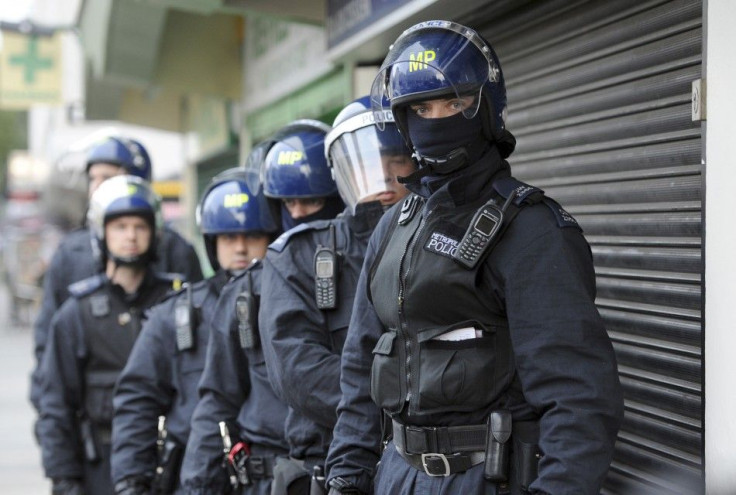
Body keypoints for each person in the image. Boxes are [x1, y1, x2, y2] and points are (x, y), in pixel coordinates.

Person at [325, 20, 624, 495]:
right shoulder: (396, 223)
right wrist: (347, 472)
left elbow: (580, 398)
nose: (436, 118)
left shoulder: (530, 229)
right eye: (420, 107)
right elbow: (362, 364)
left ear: (485, 107)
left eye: (455, 103)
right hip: (397, 476)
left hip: (489, 477)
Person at [258, 101, 415, 494]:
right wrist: (406, 404)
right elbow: (297, 368)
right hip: (331, 462)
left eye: (395, 162)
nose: (382, 179)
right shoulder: (295, 255)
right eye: (367, 164)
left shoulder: (443, 241)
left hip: (427, 467)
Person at [110, 167, 277, 495]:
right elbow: (137, 401)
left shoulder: (292, 308)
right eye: (229, 237)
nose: (240, 248)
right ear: (212, 243)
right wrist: (131, 481)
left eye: (252, 236)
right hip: (194, 478)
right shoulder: (175, 316)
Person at [31, 136, 203, 412]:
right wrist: (50, 409)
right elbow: (48, 338)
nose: (97, 187)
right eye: (93, 178)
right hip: (92, 412)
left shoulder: (176, 249)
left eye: (108, 178)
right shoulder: (69, 252)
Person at [37, 175, 182, 495]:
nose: (130, 236)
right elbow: (55, 405)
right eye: (120, 226)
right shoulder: (77, 313)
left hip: (173, 462)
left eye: (140, 226)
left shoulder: (179, 303)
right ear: (100, 232)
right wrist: (64, 478)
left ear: (155, 231)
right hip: (99, 466)